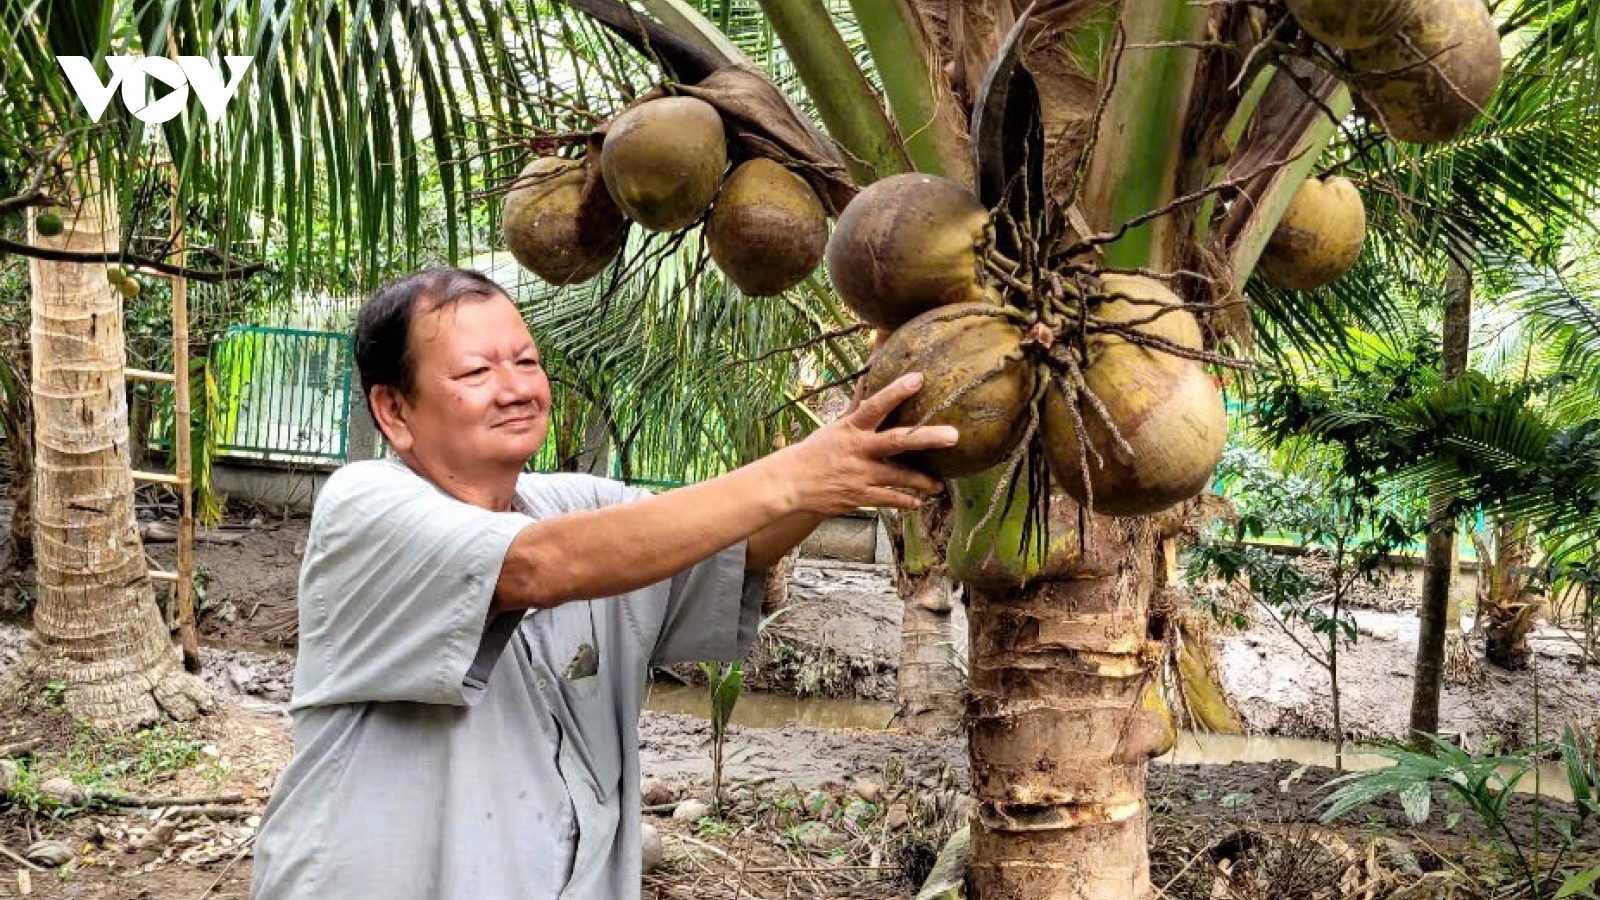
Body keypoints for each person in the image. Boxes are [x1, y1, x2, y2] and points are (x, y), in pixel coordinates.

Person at [250, 267, 955, 900]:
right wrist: (802, 472)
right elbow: (538, 565)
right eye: (475, 374)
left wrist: (861, 432)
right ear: (394, 411)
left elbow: (733, 547)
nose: (516, 387)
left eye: (526, 361)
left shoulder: (577, 505)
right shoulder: (363, 506)